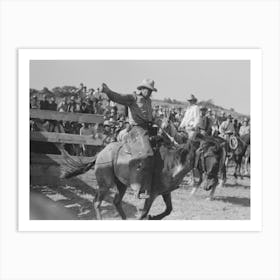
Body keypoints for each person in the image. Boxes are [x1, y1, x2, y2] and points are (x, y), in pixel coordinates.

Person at [101, 78, 157, 199]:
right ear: (142, 89)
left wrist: (155, 121)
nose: (150, 92)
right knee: (148, 153)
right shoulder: (132, 98)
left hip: (148, 129)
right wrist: (107, 91)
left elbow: (150, 116)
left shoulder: (148, 101)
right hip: (136, 130)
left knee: (163, 147)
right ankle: (138, 186)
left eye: (151, 90)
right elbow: (118, 97)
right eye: (149, 90)